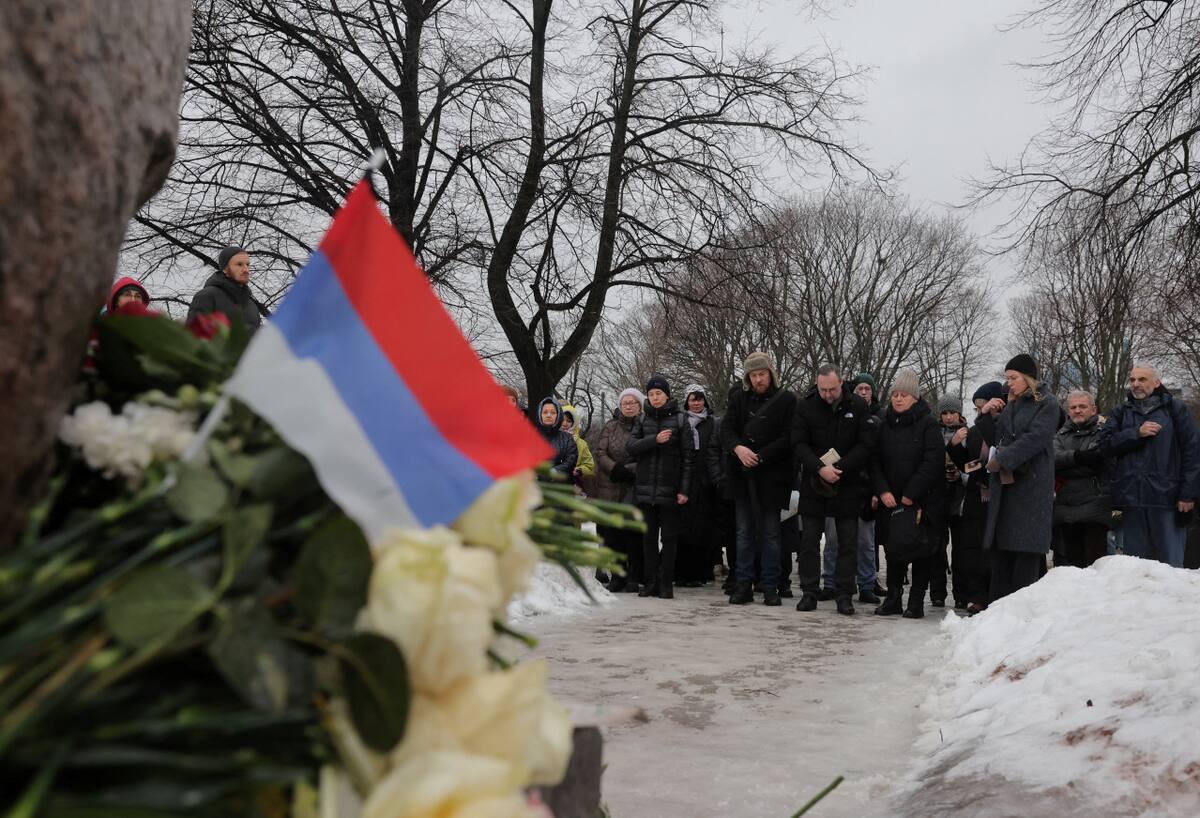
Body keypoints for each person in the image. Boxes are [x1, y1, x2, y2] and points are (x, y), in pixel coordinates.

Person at [792, 364, 877, 615]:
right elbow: (798, 443)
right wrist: (819, 468)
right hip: (814, 483)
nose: (827, 395)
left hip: (847, 483)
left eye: (832, 389)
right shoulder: (805, 406)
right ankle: (809, 591)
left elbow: (865, 445)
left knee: (847, 542)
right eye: (822, 390)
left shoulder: (858, 407)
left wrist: (840, 467)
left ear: (841, 383)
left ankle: (844, 593)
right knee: (808, 541)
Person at [1098, 364, 1200, 567]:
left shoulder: (1175, 409)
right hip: (1132, 499)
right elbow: (1103, 446)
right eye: (1133, 380)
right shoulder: (1121, 411)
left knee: (1171, 568)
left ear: (1156, 382)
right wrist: (1135, 434)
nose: (1136, 384)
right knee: (1138, 570)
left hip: (1167, 499)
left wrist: (1188, 494)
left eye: (1142, 379)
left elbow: (1193, 452)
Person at [721, 352, 797, 606]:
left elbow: (789, 437)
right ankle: (743, 584)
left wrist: (762, 456)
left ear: (770, 374)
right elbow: (727, 430)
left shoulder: (786, 400)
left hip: (772, 477)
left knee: (772, 534)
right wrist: (739, 450)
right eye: (753, 375)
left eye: (762, 374)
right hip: (743, 476)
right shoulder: (738, 399)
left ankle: (770, 586)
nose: (758, 379)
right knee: (743, 533)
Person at [983, 355, 1059, 601]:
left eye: (1013, 378)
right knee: (1002, 553)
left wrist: (1004, 459)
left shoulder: (1047, 403)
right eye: (1007, 378)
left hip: (1032, 487)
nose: (1009, 384)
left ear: (1028, 378)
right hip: (1007, 487)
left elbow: (1036, 438)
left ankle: (1020, 617)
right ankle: (997, 612)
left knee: (1024, 553)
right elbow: (998, 438)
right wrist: (986, 416)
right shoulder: (1011, 404)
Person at [871, 369, 944, 618]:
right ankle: (893, 599)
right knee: (894, 550)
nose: (898, 399)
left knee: (921, 550)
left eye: (903, 395)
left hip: (922, 501)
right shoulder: (884, 425)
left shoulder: (928, 425)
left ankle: (915, 601)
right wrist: (882, 490)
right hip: (891, 500)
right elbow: (875, 461)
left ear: (914, 397)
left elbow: (932, 462)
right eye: (895, 394)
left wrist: (911, 493)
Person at [627, 375, 694, 599]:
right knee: (648, 540)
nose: (655, 398)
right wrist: (654, 440)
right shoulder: (642, 419)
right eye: (652, 394)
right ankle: (650, 583)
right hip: (645, 490)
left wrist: (684, 490)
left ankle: (666, 584)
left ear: (667, 395)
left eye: (659, 393)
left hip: (671, 490)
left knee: (669, 539)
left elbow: (688, 459)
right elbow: (632, 447)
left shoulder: (681, 420)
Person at [945, 382, 1005, 614]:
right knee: (972, 549)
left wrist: (980, 466)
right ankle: (974, 594)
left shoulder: (1001, 426)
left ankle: (993, 593)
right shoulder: (975, 430)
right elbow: (967, 466)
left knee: (991, 549)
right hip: (975, 495)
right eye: (977, 408)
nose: (979, 412)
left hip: (996, 493)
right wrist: (954, 446)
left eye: (983, 406)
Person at [592, 388, 645, 592]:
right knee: (613, 534)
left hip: (634, 485)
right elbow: (600, 452)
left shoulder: (644, 426)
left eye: (633, 403)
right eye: (625, 403)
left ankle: (634, 575)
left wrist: (629, 470)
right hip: (610, 485)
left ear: (639, 406)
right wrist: (615, 468)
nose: (629, 406)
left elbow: (648, 454)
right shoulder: (610, 427)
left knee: (632, 535)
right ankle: (617, 575)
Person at [1053, 391, 1113, 568]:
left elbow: (1096, 459)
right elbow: (1053, 459)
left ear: (1093, 409)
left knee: (1096, 567)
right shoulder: (1060, 435)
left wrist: (1067, 463)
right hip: (1065, 509)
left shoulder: (1104, 432)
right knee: (1071, 569)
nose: (1077, 410)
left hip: (1095, 508)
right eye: (1073, 407)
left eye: (1082, 406)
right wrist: (1080, 457)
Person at [676, 385, 723, 586]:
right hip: (684, 480)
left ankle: (702, 571)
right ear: (686, 401)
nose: (696, 403)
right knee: (683, 528)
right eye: (692, 399)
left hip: (707, 481)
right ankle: (682, 573)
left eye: (700, 399)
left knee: (704, 529)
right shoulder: (680, 421)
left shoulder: (713, 423)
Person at [931, 396, 968, 608]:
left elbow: (973, 463)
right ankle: (937, 592)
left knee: (960, 548)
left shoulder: (968, 434)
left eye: (952, 412)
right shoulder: (933, 433)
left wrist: (960, 476)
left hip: (960, 496)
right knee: (937, 546)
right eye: (944, 413)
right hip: (937, 494)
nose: (948, 417)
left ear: (959, 413)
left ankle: (961, 593)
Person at [187, 246, 265, 333]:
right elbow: (193, 337)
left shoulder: (251, 304)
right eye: (239, 264)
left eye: (247, 264)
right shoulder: (207, 296)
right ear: (225, 269)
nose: (246, 270)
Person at [534, 397, 578, 478]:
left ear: (558, 415)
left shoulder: (567, 438)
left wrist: (554, 471)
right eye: (545, 412)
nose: (548, 415)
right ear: (540, 415)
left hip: (559, 485)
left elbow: (571, 460)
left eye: (553, 412)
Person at [560, 404, 595, 492]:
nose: (564, 424)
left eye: (568, 421)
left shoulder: (581, 444)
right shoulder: (550, 438)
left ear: (573, 423)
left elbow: (589, 466)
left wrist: (579, 470)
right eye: (562, 420)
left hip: (573, 486)